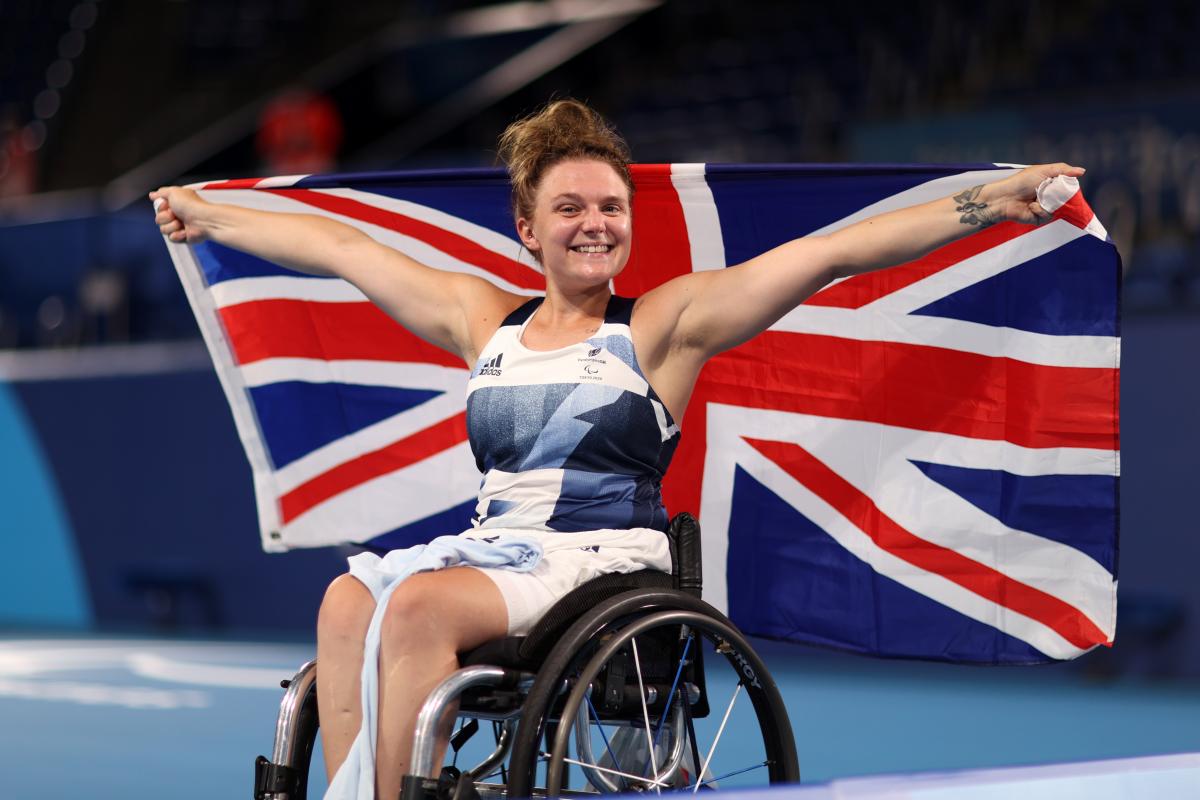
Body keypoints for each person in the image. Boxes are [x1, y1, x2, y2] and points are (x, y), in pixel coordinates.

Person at [151, 99, 1083, 798]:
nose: (596, 222)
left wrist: (995, 201)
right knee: (347, 600)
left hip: (597, 559)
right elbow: (343, 248)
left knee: (419, 611)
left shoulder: (664, 327)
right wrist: (206, 214)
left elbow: (831, 254)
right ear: (528, 228)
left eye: (610, 204)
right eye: (569, 208)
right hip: (497, 548)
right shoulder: (483, 320)